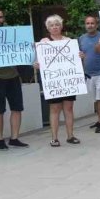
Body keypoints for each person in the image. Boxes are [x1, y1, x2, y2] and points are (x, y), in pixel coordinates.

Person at [0, 7, 28, 150]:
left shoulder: (12, 33)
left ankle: (14, 138)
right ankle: (0, 139)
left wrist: (28, 46)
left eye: (0, 17)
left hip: (13, 75)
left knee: (17, 108)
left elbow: (23, 49)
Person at [38, 15, 80, 147]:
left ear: (61, 26)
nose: (55, 27)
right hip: (53, 81)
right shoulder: (44, 42)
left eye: (57, 24)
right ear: (48, 28)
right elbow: (40, 60)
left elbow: (75, 59)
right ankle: (54, 138)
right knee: (54, 108)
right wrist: (37, 64)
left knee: (69, 107)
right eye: (51, 25)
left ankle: (70, 135)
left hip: (67, 80)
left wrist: (80, 56)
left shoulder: (69, 41)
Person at [78, 15, 100, 133]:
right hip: (89, 74)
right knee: (96, 99)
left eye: (92, 23)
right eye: (87, 23)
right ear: (85, 25)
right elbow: (81, 54)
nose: (90, 25)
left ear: (97, 25)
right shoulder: (81, 38)